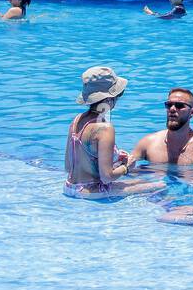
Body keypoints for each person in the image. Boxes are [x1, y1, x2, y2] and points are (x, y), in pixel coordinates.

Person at [64, 66, 164, 199]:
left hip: (69, 186)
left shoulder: (76, 120)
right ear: (109, 99)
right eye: (118, 95)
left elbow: (68, 166)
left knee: (142, 181)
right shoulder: (105, 128)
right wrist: (126, 167)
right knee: (160, 185)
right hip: (91, 192)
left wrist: (114, 158)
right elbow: (106, 178)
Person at [128, 88, 193, 168]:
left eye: (179, 106)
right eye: (169, 105)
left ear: (192, 112)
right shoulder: (148, 143)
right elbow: (128, 169)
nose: (172, 109)